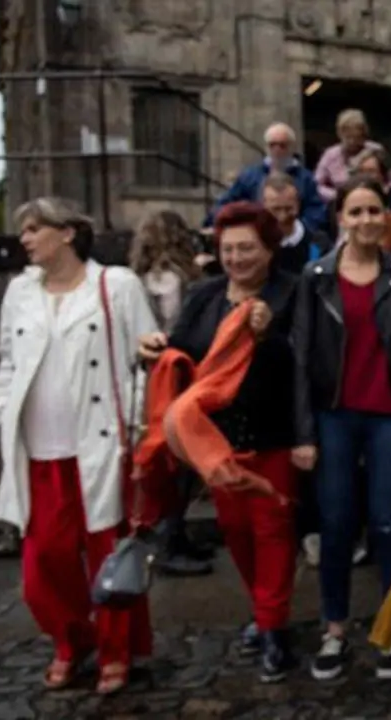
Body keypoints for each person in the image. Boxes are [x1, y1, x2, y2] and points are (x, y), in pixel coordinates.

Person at [0, 197, 157, 694]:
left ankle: (116, 651)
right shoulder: (19, 292)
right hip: (37, 449)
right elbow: (6, 360)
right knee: (42, 566)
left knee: (109, 555)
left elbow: (147, 359)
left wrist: (133, 428)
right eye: (23, 230)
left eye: (33, 228)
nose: (24, 238)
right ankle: (72, 640)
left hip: (101, 444)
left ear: (67, 233)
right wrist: (5, 407)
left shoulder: (116, 285)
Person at [138, 201, 301, 683]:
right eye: (228, 249)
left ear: (269, 249)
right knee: (238, 536)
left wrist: (269, 335)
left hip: (274, 437)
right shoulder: (205, 295)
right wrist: (154, 350)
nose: (236, 257)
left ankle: (272, 628)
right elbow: (181, 351)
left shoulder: (292, 291)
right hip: (216, 445)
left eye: (247, 247)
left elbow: (304, 361)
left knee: (273, 534)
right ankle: (265, 612)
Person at [291, 175, 391, 683]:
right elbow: (302, 357)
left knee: (390, 521)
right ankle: (335, 626)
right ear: (340, 218)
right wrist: (303, 433)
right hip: (334, 416)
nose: (367, 221)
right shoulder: (316, 276)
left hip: (390, 416)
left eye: (375, 211)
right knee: (336, 524)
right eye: (356, 212)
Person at [128, 209, 215, 577]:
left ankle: (174, 537)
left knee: (168, 462)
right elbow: (176, 328)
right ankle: (168, 539)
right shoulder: (175, 279)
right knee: (177, 463)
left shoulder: (136, 278)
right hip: (173, 378)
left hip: (148, 381)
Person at [206, 122, 328, 233]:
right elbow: (226, 204)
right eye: (272, 145)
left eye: (282, 145)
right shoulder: (249, 177)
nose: (277, 150)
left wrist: (299, 230)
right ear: (266, 147)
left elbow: (316, 211)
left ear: (292, 147)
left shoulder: (305, 178)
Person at [314, 108, 384, 204]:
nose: (352, 142)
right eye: (348, 137)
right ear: (339, 134)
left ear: (364, 134)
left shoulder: (375, 150)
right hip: (339, 203)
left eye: (357, 137)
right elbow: (316, 185)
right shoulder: (330, 155)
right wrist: (337, 195)